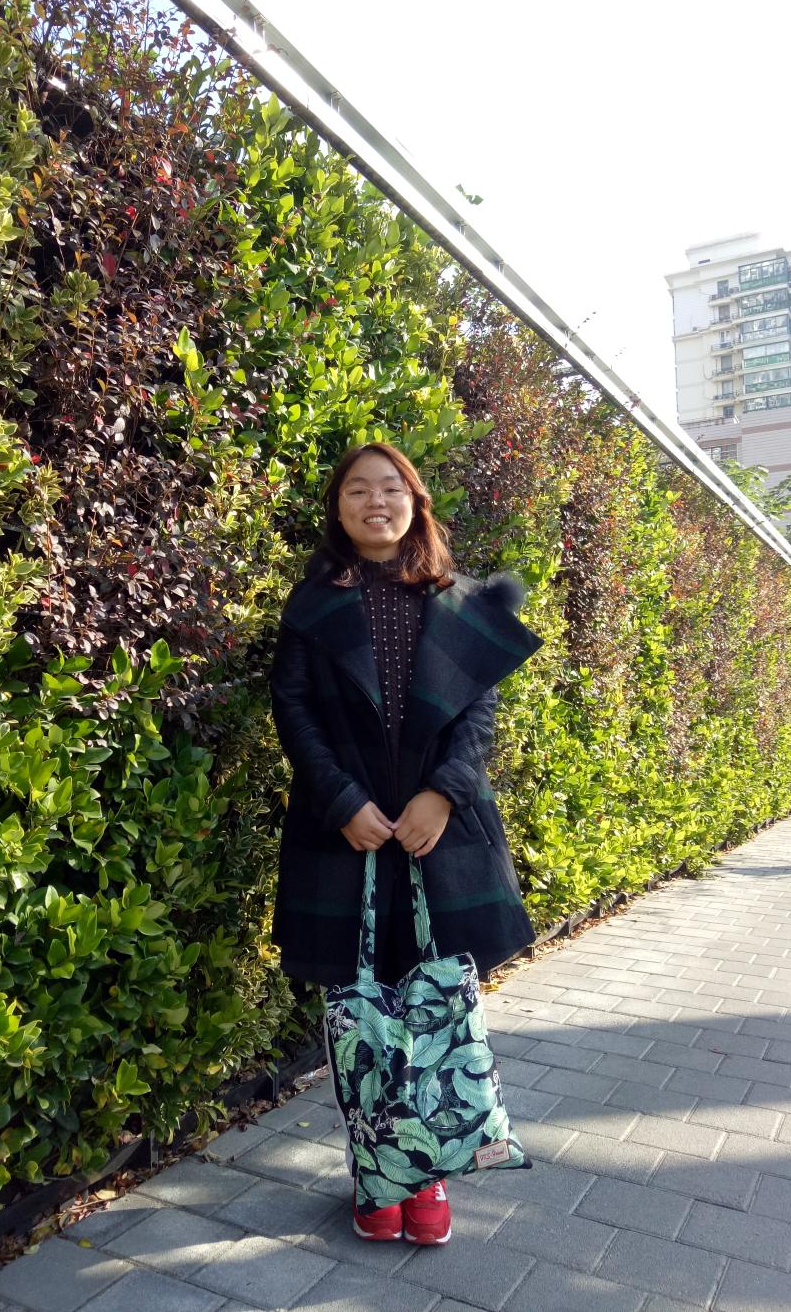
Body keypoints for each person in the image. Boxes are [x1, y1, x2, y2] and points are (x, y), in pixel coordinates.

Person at [269, 441, 543, 1245]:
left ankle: (427, 1175)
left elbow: (478, 717)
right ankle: (376, 1170)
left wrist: (443, 794)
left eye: (390, 487)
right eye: (358, 489)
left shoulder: (458, 600)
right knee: (361, 1017)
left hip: (436, 836)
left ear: (415, 502)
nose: (375, 501)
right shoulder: (312, 604)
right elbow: (293, 709)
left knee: (435, 1012)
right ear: (339, 508)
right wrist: (342, 799)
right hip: (347, 835)